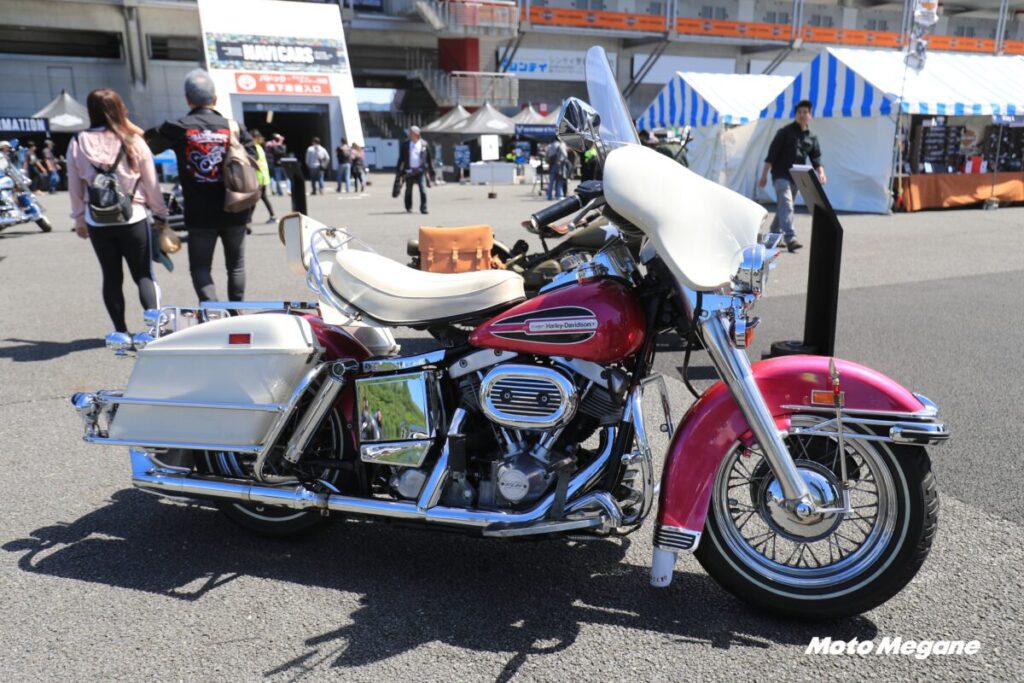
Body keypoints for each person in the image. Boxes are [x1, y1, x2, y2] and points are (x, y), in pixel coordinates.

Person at [147, 68, 256, 302]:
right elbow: (253, 160)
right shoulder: (234, 127)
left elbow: (145, 146)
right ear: (215, 99)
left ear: (188, 99)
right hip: (235, 207)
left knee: (200, 267)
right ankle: (236, 313)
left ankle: (212, 312)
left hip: (199, 212)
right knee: (236, 266)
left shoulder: (178, 127)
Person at [68, 88, 169, 334]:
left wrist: (79, 218)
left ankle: (121, 332)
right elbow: (151, 182)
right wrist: (160, 214)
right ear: (120, 109)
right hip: (133, 216)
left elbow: (74, 185)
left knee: (111, 277)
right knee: (143, 275)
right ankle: (154, 329)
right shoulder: (133, 140)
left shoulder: (78, 141)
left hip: (97, 219)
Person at [758, 99, 826, 253]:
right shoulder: (784, 132)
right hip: (780, 175)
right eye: (799, 112)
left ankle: (772, 237)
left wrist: (821, 173)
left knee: (784, 206)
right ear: (795, 114)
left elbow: (816, 158)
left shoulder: (812, 137)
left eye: (805, 112)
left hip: (797, 177)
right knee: (787, 204)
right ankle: (791, 238)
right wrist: (764, 175)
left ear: (810, 115)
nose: (802, 115)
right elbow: (771, 155)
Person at [395, 126, 434, 214]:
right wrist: (398, 170)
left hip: (421, 171)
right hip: (409, 171)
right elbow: (401, 158)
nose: (409, 134)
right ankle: (408, 206)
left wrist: (431, 171)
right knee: (408, 190)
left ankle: (423, 208)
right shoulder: (405, 144)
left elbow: (429, 158)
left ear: (416, 134)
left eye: (411, 133)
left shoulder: (424, 144)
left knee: (423, 189)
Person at [250, 129, 276, 224]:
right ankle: (272, 215)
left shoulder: (253, 148)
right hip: (263, 176)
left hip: (258, 177)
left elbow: (255, 162)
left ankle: (248, 219)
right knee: (262, 198)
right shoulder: (259, 147)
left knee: (254, 199)